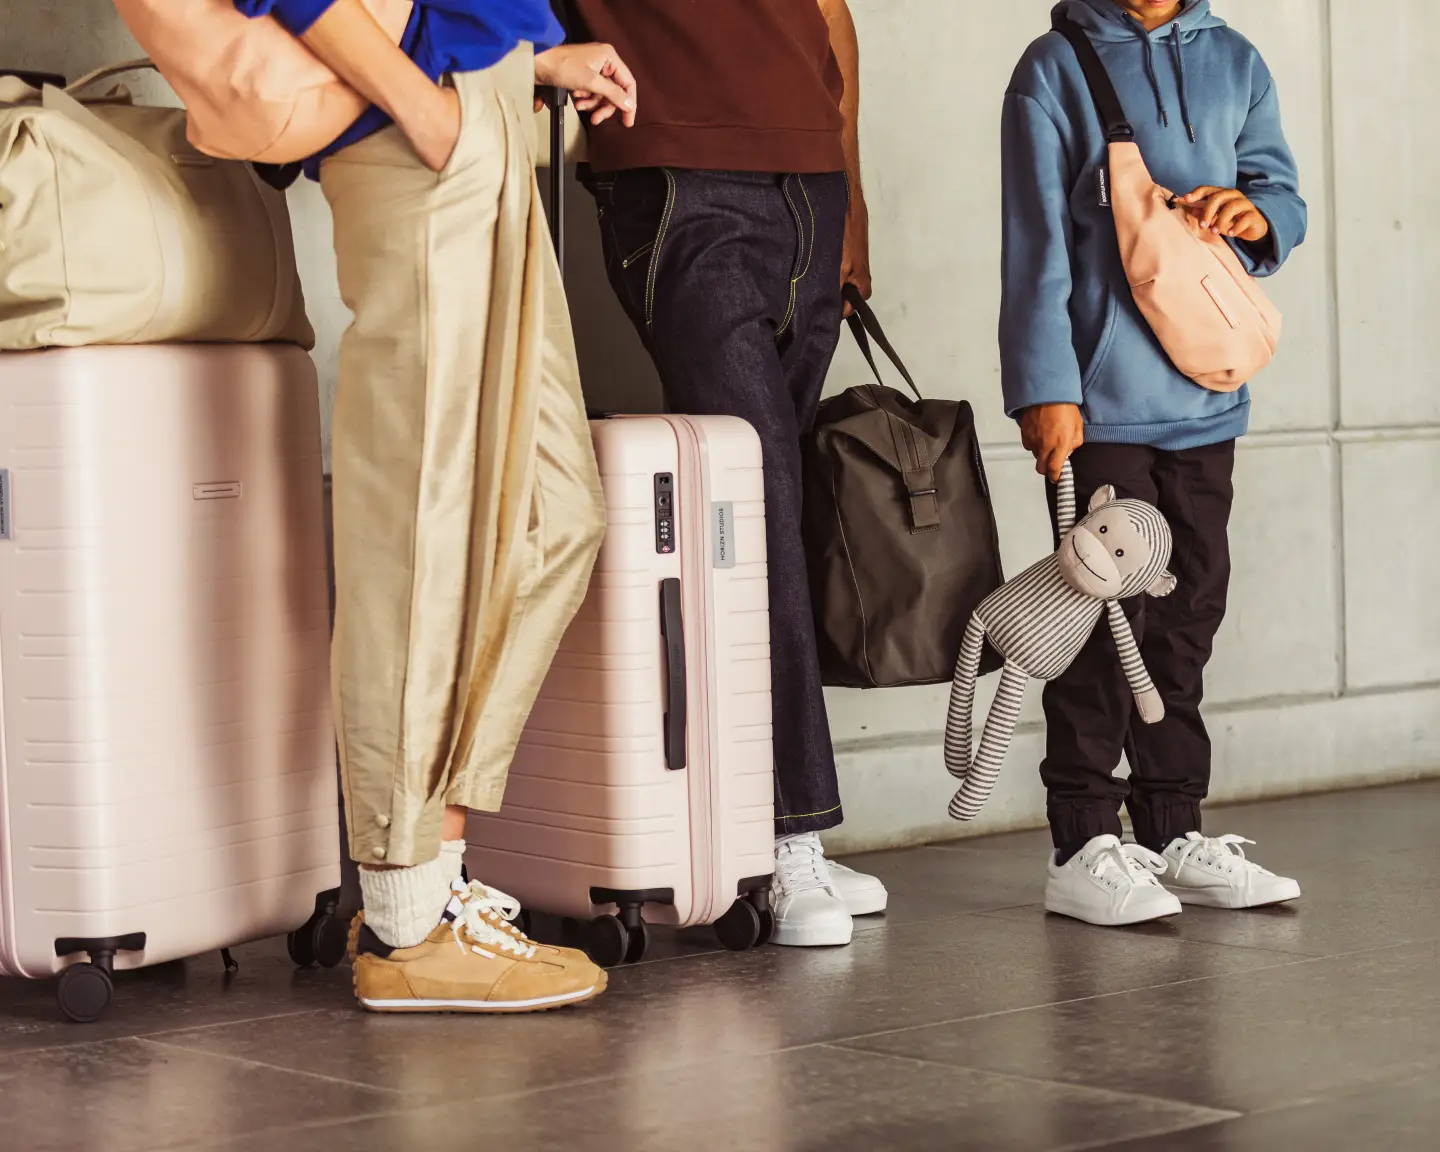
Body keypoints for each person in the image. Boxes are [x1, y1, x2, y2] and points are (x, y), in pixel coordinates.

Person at [234, 0, 637, 1010]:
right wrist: (418, 100)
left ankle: (428, 881)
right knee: (419, 535)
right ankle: (409, 915)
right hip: (413, 120)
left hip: (481, 100)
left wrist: (528, 52)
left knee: (554, 514)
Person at [560, 0, 886, 948]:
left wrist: (850, 190)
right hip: (678, 180)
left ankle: (762, 824)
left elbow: (831, 13)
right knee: (757, 505)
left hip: (809, 187)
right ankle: (784, 836)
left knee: (776, 507)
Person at [1001, 0, 1307, 926]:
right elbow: (1035, 247)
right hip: (1103, 401)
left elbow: (1282, 194)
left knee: (1189, 608)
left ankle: (1173, 822)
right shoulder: (1054, 67)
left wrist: (1256, 215)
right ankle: (1084, 838)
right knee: (1104, 618)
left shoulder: (1236, 59)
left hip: (1208, 395)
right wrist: (1044, 388)